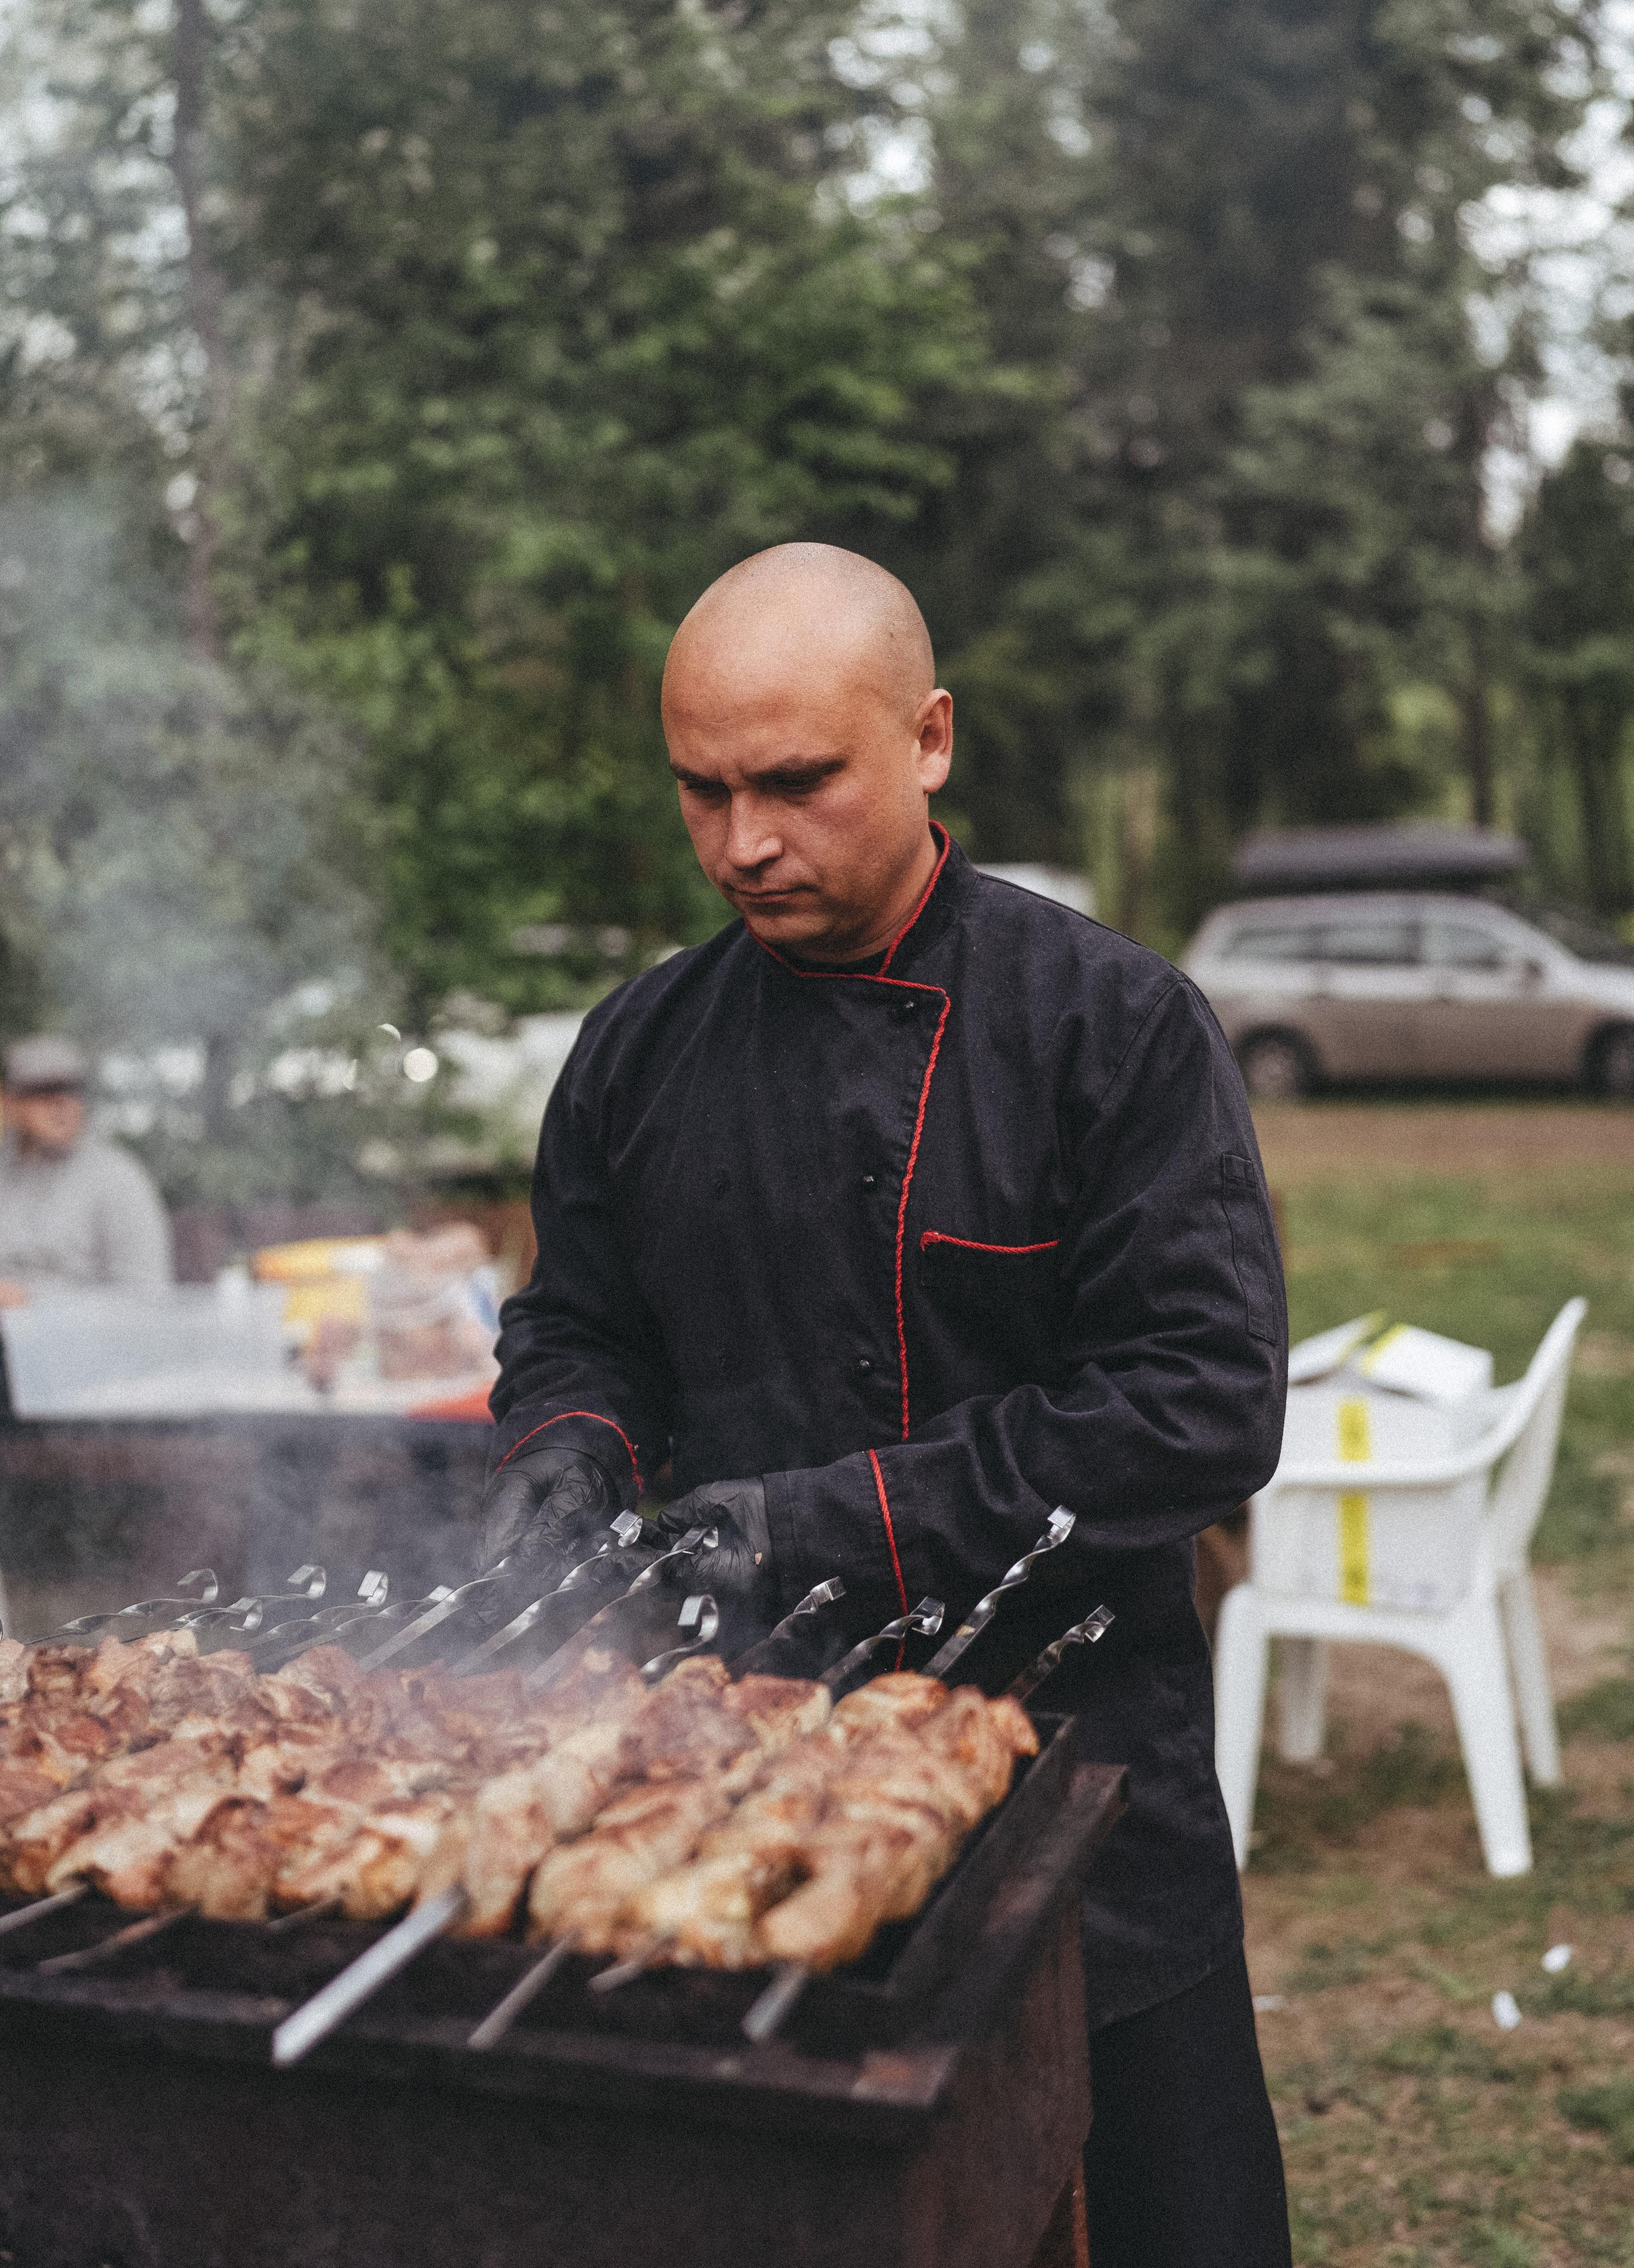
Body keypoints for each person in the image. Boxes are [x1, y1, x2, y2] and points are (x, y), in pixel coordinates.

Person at [480, 544, 1293, 2265]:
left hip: (1083, 1786)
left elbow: (1201, 1404)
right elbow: (577, 1330)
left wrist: (818, 1519)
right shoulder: (636, 1051)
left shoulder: (1114, 1026)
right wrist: (569, 1454)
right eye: (700, 790)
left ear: (928, 740)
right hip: (726, 1778)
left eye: (794, 783)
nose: (741, 842)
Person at [0, 1036, 172, 1311]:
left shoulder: (118, 1179)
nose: (63, 1106)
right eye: (43, 1092)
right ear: (9, 1103)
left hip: (76, 1345)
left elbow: (146, 1296)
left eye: (73, 1091)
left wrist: (28, 1300)